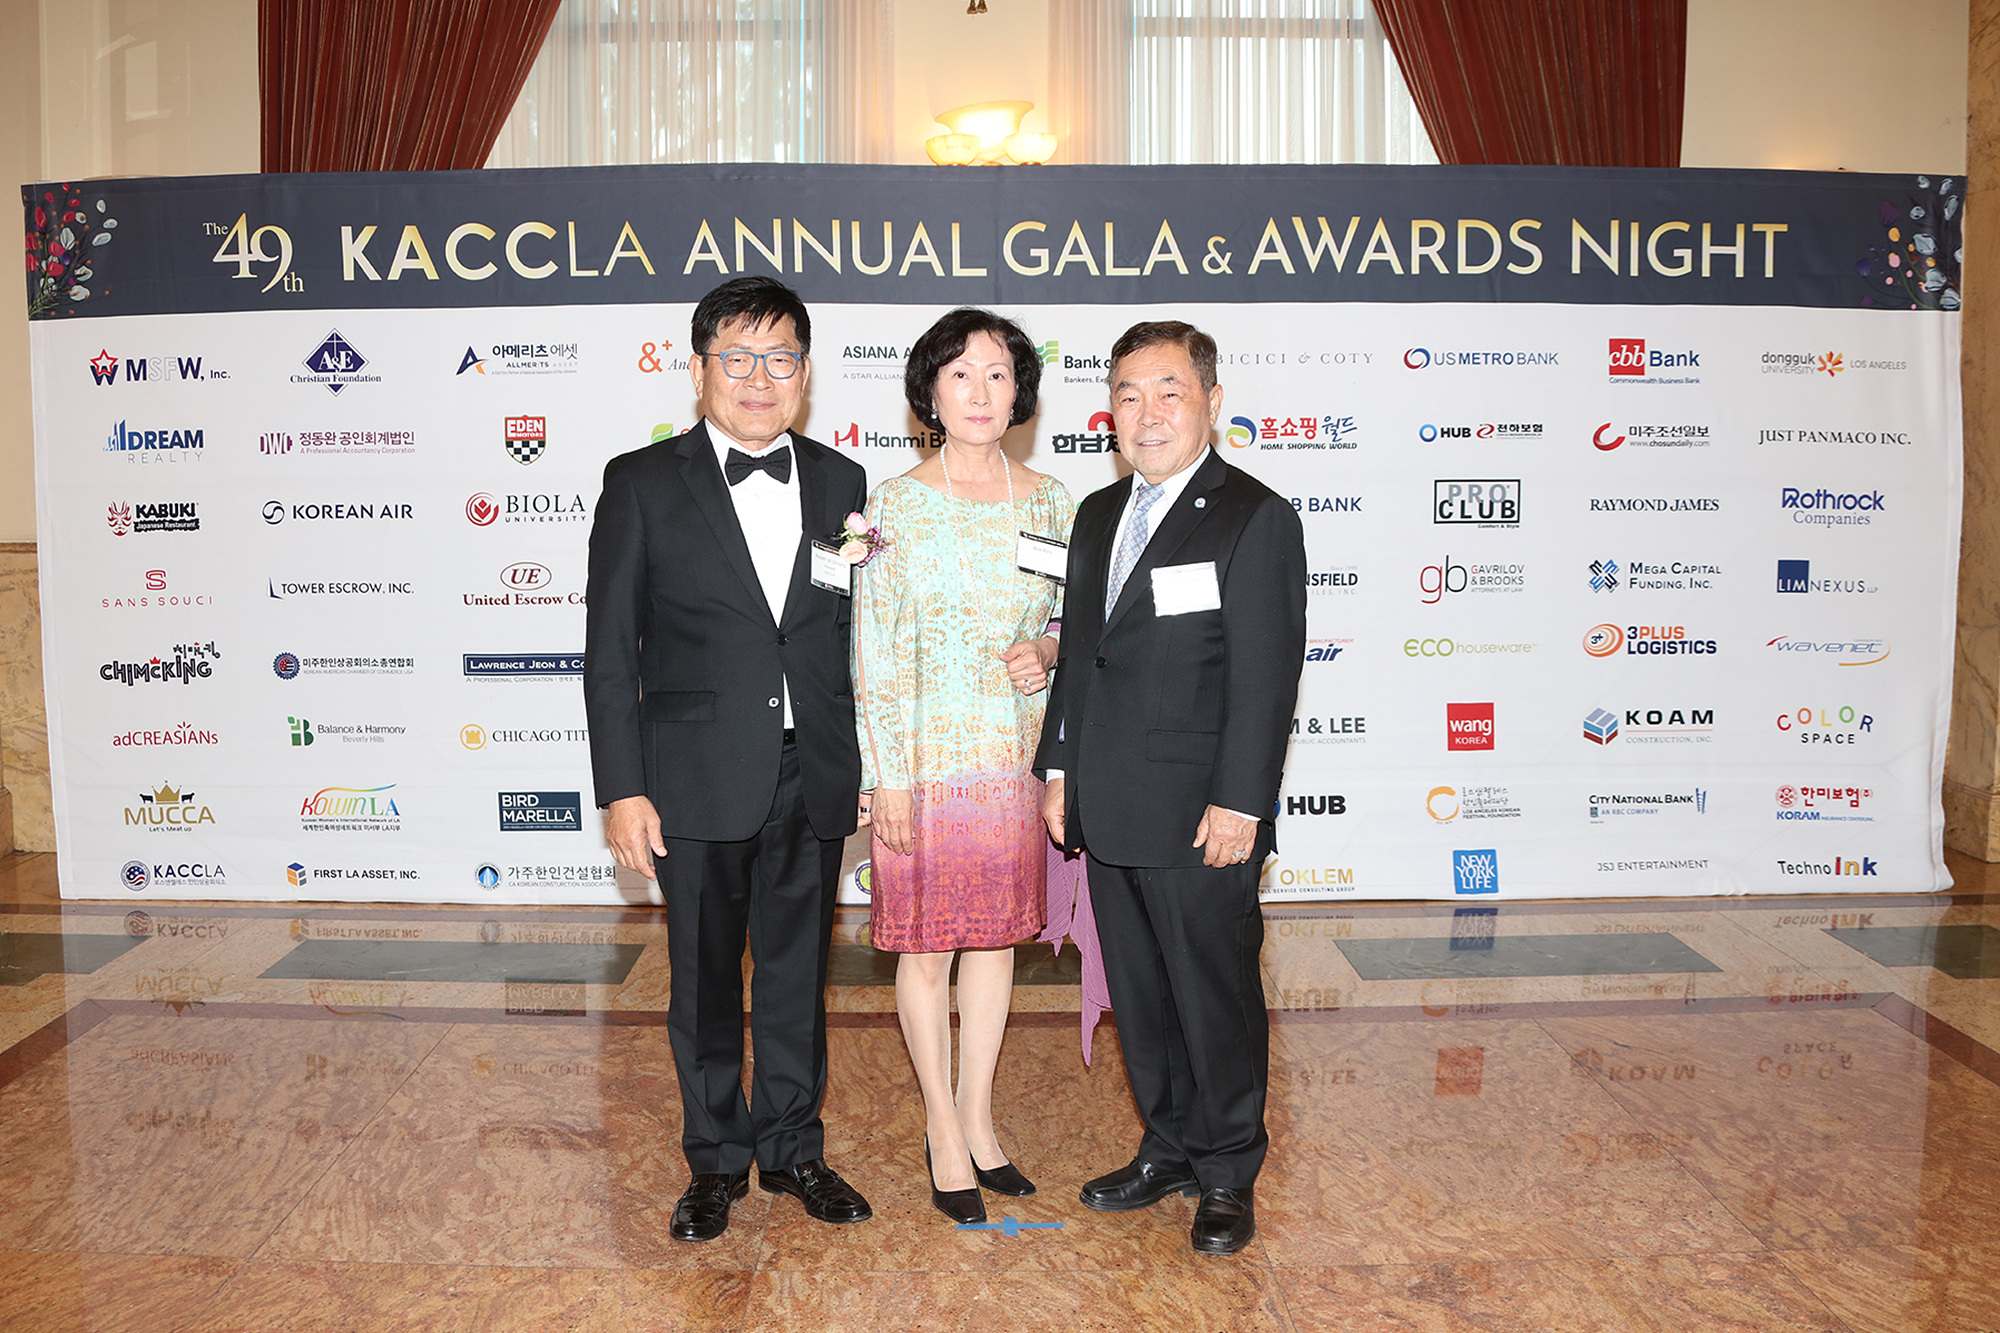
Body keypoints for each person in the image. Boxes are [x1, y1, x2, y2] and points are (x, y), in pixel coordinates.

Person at [584, 276, 873, 1243]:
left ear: (805, 373)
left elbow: (844, 635)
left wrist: (862, 763)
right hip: (694, 777)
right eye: (738, 357)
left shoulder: (841, 483)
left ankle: (793, 1148)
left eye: (780, 358)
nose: (760, 378)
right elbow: (609, 650)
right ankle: (714, 1160)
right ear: (699, 367)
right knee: (704, 982)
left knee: (796, 978)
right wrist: (623, 788)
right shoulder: (641, 481)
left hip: (811, 770)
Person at [1034, 320, 1306, 1256]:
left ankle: (1227, 1169)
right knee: (1143, 999)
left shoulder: (1254, 517)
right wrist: (1059, 769)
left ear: (1211, 402)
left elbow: (1265, 678)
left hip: (1201, 817)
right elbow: (1081, 657)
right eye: (1128, 394)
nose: (1146, 414)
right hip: (1107, 805)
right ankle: (1168, 1147)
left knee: (1213, 995)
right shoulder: (1098, 514)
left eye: (1169, 391)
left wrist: (1241, 802)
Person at [853, 308, 1074, 1224]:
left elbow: (1074, 621)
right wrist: (886, 777)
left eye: (997, 374)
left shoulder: (1052, 501)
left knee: (994, 941)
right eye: (959, 374)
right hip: (923, 764)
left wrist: (1049, 651)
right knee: (926, 947)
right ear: (930, 393)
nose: (980, 392)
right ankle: (941, 1128)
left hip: (1011, 764)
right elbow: (872, 647)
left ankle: (980, 1120)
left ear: (1020, 391)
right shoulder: (892, 504)